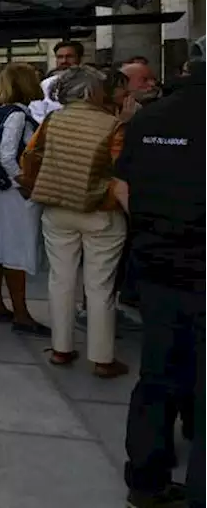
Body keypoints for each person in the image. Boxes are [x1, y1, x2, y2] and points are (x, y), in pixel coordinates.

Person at [116, 52, 207, 508]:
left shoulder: (149, 118)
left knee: (156, 376)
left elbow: (123, 186)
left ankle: (146, 482)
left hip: (156, 267)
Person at [18, 66, 129, 378]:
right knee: (100, 286)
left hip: (57, 208)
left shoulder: (53, 120)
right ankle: (103, 358)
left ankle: (61, 349)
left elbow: (30, 157)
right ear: (92, 92)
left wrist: (40, 184)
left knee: (61, 280)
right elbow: (122, 168)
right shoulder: (112, 124)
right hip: (100, 212)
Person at [0, 64, 49, 337]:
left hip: (2, 189)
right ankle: (21, 313)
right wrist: (24, 181)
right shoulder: (18, 115)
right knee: (17, 251)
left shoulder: (0, 112)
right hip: (15, 191)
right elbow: (7, 155)